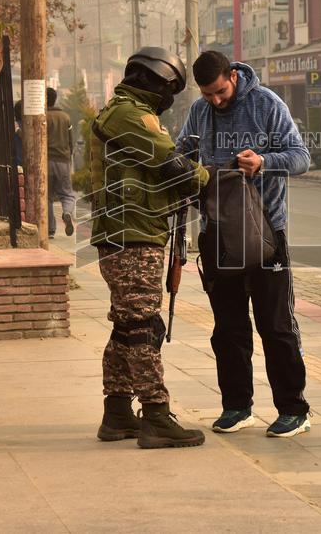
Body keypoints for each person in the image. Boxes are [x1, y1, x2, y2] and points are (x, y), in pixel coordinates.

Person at [180, 50, 312, 438]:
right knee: (228, 328)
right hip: (218, 236)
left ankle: (294, 409)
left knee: (275, 325)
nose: (216, 101)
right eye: (208, 95)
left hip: (266, 235)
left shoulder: (266, 104)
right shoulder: (199, 114)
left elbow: (302, 157)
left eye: (220, 91)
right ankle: (237, 406)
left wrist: (264, 162)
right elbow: (180, 156)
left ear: (233, 76)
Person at [88, 46, 210, 449]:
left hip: (133, 230)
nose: (169, 97)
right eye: (168, 88)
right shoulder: (129, 115)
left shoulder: (130, 114)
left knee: (127, 326)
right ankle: (155, 415)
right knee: (144, 325)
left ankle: (118, 412)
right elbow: (171, 166)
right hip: (132, 234)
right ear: (152, 81)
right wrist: (209, 176)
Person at [45, 87, 75, 239]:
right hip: (63, 160)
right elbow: (71, 141)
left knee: (47, 197)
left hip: (46, 160)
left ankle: (50, 230)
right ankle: (67, 213)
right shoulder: (65, 117)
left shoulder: (42, 116)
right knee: (67, 194)